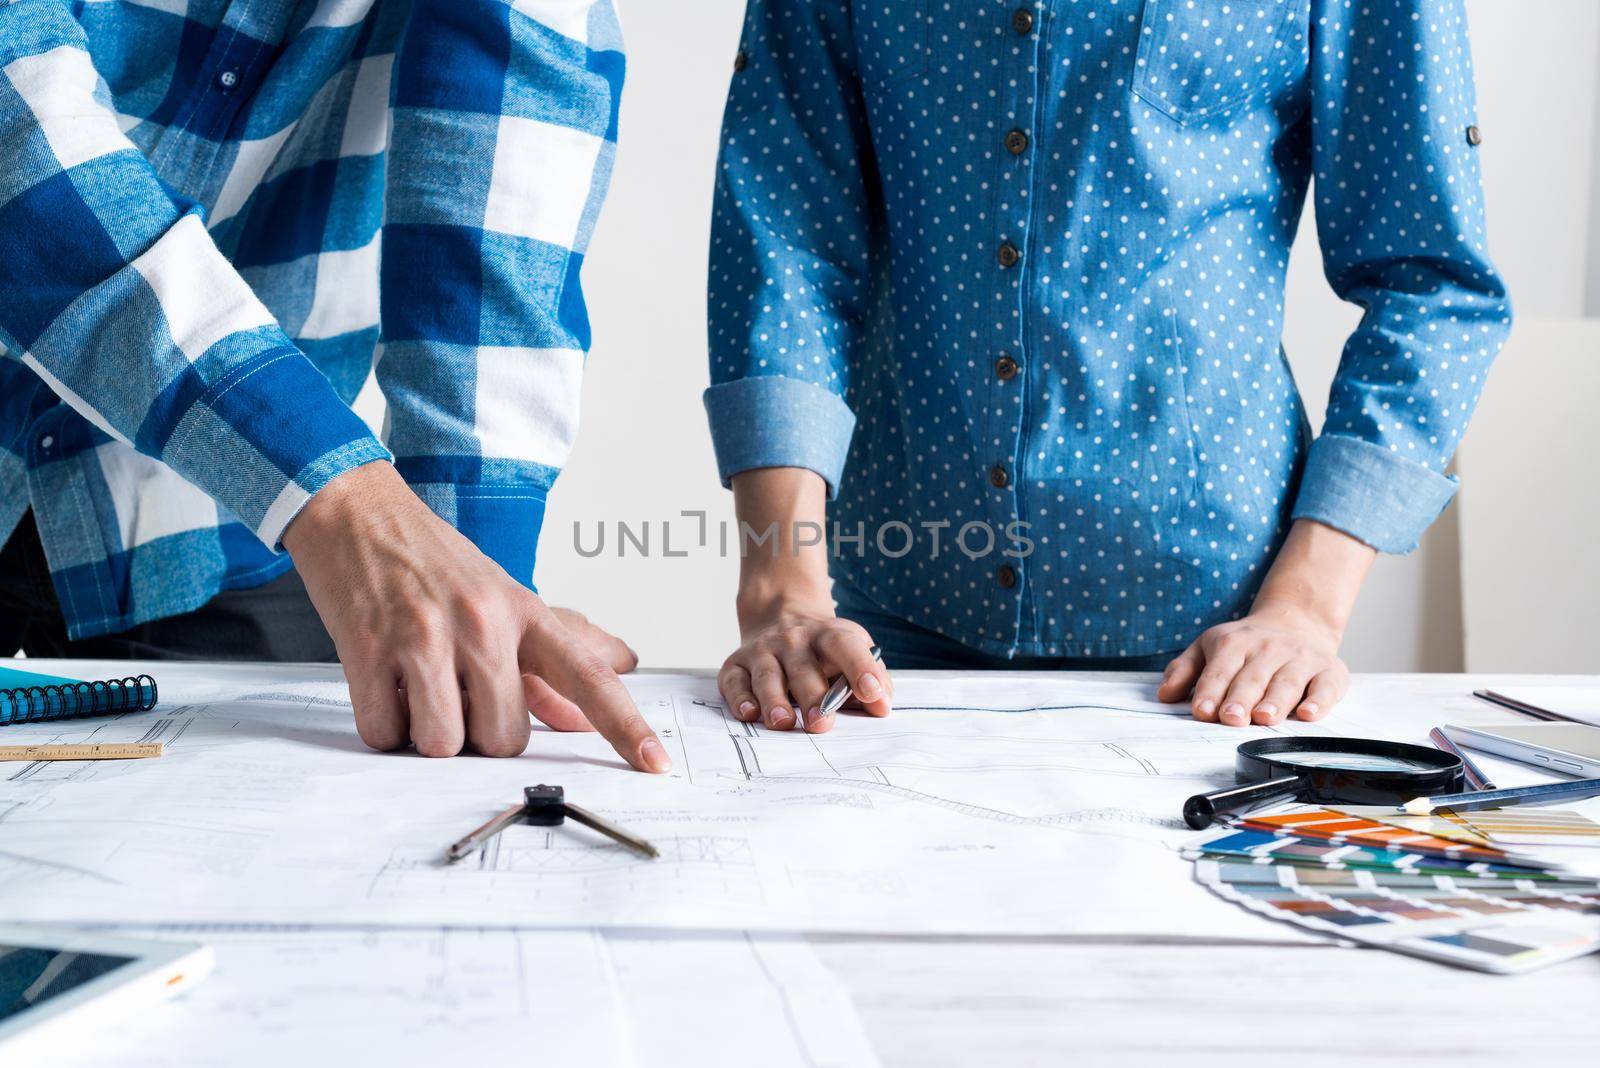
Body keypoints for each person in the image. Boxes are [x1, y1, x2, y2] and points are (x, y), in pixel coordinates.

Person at [706, 0, 1510, 733]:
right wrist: (783, 591)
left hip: (1220, 650)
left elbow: (1430, 281)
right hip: (889, 628)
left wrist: (1304, 609)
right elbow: (784, 237)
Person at [0, 0, 669, 770]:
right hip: (284, 477)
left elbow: (505, 149)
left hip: (214, 510)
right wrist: (340, 494)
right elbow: (18, 140)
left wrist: (477, 580)